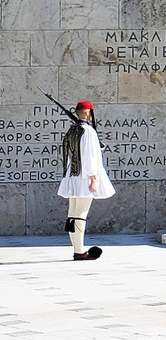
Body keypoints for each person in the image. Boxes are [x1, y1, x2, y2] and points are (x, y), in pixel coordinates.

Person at [56, 101, 115, 261]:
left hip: (73, 176)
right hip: (84, 177)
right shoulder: (87, 131)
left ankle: (78, 249)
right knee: (80, 214)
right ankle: (80, 251)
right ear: (88, 113)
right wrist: (93, 178)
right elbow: (89, 156)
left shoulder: (73, 130)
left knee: (73, 214)